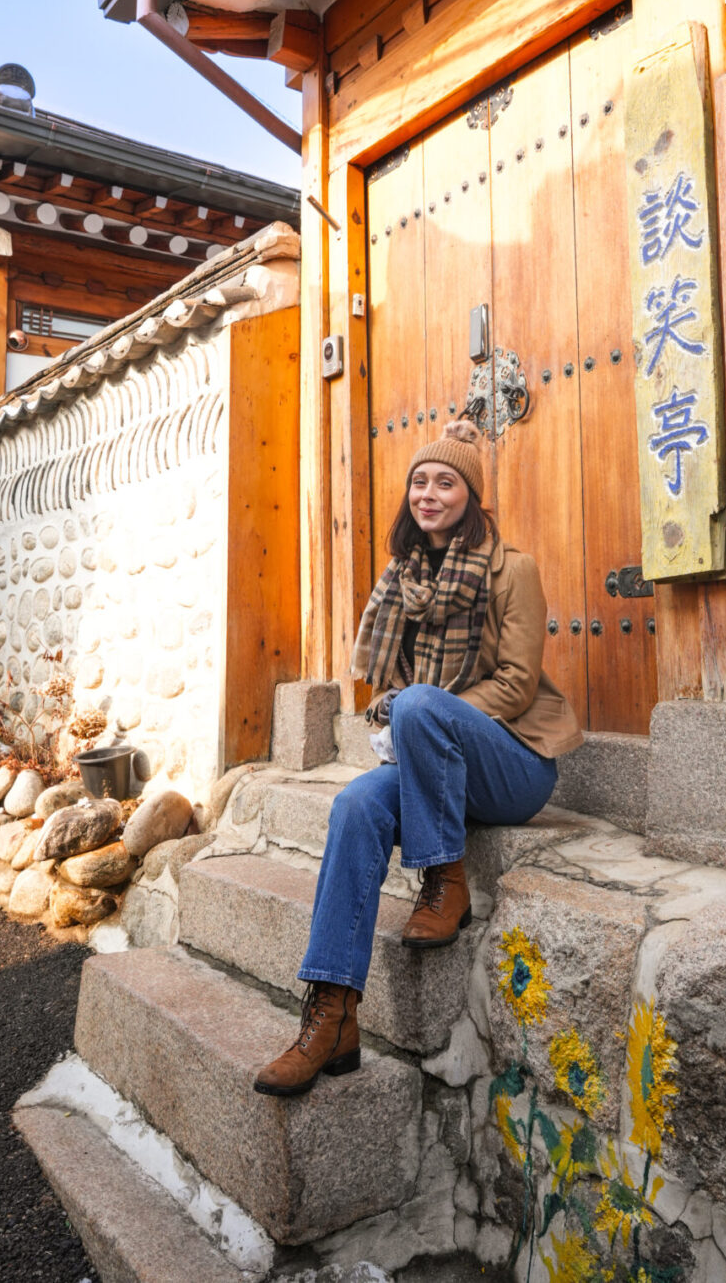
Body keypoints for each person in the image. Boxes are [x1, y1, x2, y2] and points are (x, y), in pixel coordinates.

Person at [254, 419, 583, 1096]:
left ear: (471, 495)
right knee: (352, 805)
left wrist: (426, 715)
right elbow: (401, 694)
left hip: (513, 764)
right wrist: (405, 716)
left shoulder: (511, 569)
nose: (428, 493)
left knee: (418, 706)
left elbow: (518, 683)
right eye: (419, 481)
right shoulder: (400, 581)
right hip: (435, 759)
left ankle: (444, 879)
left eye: (445, 481)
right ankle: (330, 1013)